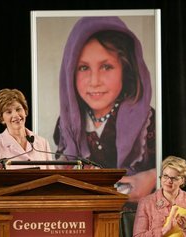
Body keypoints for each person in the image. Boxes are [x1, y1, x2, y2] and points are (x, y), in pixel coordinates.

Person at [53, 16, 156, 203]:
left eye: (106, 67)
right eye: (83, 68)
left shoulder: (148, 121)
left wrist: (153, 176)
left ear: (126, 69)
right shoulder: (66, 123)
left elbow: (172, 168)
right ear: (70, 73)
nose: (94, 81)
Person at [0, 88, 55, 169]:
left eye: (18, 109)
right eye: (9, 112)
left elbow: (52, 176)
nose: (16, 115)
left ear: (25, 111)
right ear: (2, 118)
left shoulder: (42, 143)